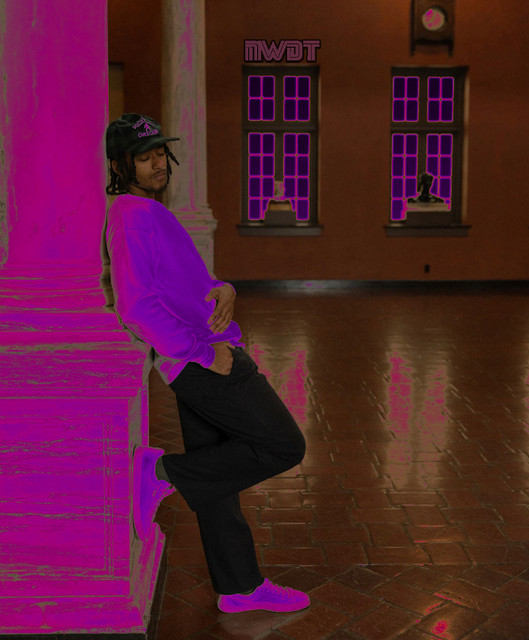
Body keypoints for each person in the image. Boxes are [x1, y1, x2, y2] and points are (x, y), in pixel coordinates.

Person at [103, 113, 310, 614]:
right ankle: (162, 471)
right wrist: (202, 353)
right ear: (120, 165)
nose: (158, 164)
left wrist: (222, 287)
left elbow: (179, 280)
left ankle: (239, 586)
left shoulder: (149, 210)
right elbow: (135, 305)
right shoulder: (131, 215)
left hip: (202, 350)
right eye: (144, 157)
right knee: (284, 444)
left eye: (160, 153)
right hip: (203, 359)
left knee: (217, 480)